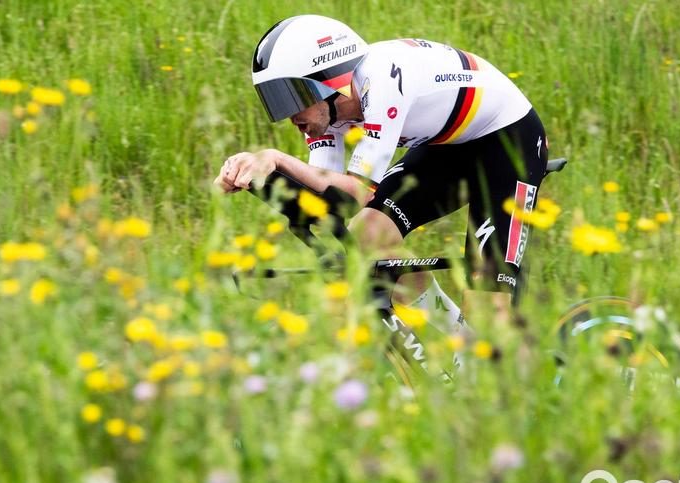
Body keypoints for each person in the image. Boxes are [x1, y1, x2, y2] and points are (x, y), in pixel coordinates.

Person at [213, 14, 549, 340]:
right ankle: (460, 343)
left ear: (329, 80)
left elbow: (356, 194)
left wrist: (276, 159)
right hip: (447, 145)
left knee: (490, 313)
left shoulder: (382, 82)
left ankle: (517, 368)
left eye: (293, 97)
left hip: (508, 140)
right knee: (369, 232)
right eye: (278, 101)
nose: (290, 115)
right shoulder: (325, 113)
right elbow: (325, 193)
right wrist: (260, 175)